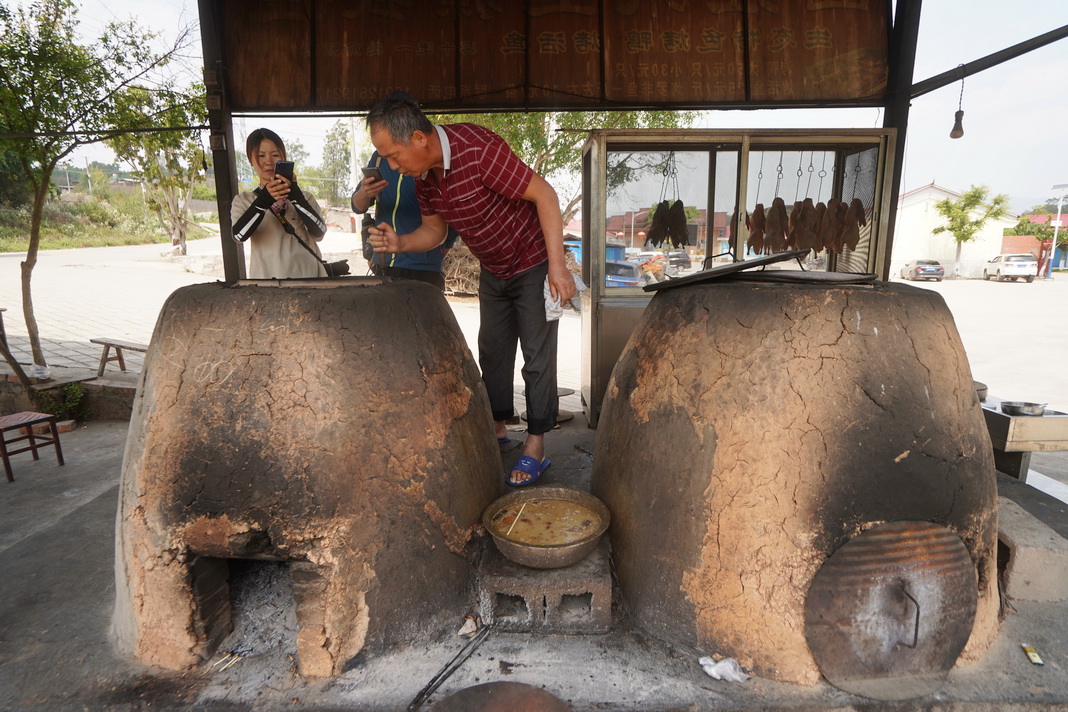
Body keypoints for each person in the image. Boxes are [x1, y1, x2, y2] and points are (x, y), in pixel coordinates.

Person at [365, 92, 576, 487]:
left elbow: (545, 194)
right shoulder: (424, 179)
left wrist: (557, 267)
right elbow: (434, 231)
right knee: (493, 350)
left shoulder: (478, 150)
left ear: (419, 139)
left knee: (536, 355)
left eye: (393, 155)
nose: (392, 166)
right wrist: (400, 243)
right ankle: (497, 429)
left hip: (531, 264)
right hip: (493, 269)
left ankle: (535, 446)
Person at [351, 149, 458, 290]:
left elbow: (453, 212)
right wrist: (364, 193)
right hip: (383, 263)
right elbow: (357, 207)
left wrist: (440, 251)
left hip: (424, 267)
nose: (393, 165)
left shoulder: (430, 157)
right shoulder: (379, 157)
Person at [232, 128, 328, 279]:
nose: (269, 161)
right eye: (261, 156)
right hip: (269, 285)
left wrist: (296, 196)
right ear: (250, 160)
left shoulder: (306, 197)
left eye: (275, 155)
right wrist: (264, 200)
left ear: (284, 157)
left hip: (311, 280)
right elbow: (239, 236)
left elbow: (320, 233)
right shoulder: (243, 201)